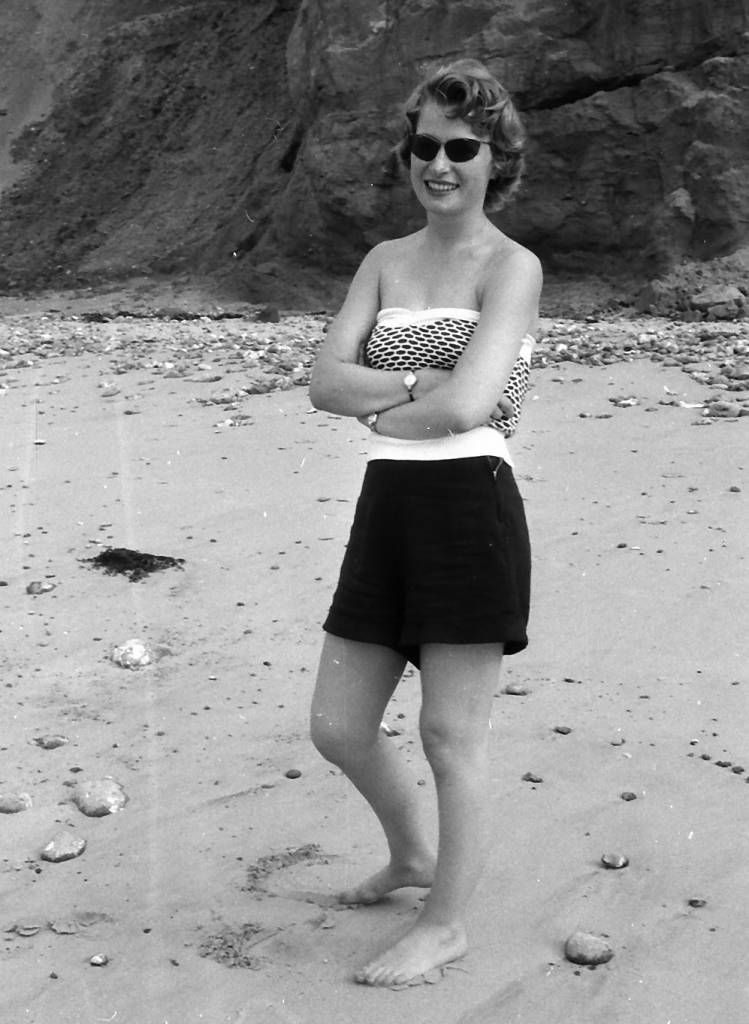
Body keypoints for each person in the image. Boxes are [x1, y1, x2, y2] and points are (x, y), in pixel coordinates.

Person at [307, 57, 542, 988]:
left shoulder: (511, 267)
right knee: (336, 725)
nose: (436, 163)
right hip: (386, 509)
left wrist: (386, 405)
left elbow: (471, 410)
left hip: (469, 506)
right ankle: (411, 856)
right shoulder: (383, 261)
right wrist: (413, 388)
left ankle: (445, 925)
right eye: (422, 145)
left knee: (450, 736)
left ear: (494, 160)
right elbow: (324, 381)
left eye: (459, 147)